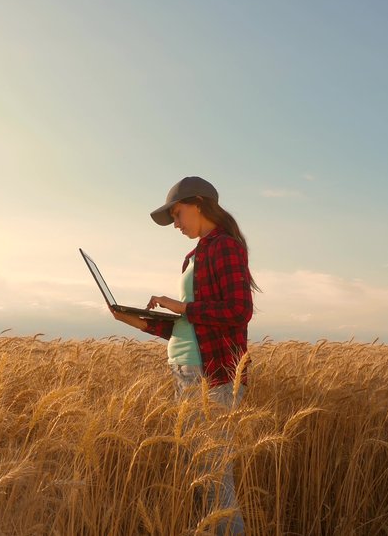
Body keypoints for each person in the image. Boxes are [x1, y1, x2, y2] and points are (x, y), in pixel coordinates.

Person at [111, 176, 258, 535]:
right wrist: (137, 321)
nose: (176, 224)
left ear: (199, 204)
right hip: (185, 371)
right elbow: (185, 326)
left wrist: (182, 306)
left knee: (216, 480)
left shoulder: (225, 246)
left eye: (177, 214)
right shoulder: (193, 256)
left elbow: (239, 310)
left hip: (214, 374)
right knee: (203, 477)